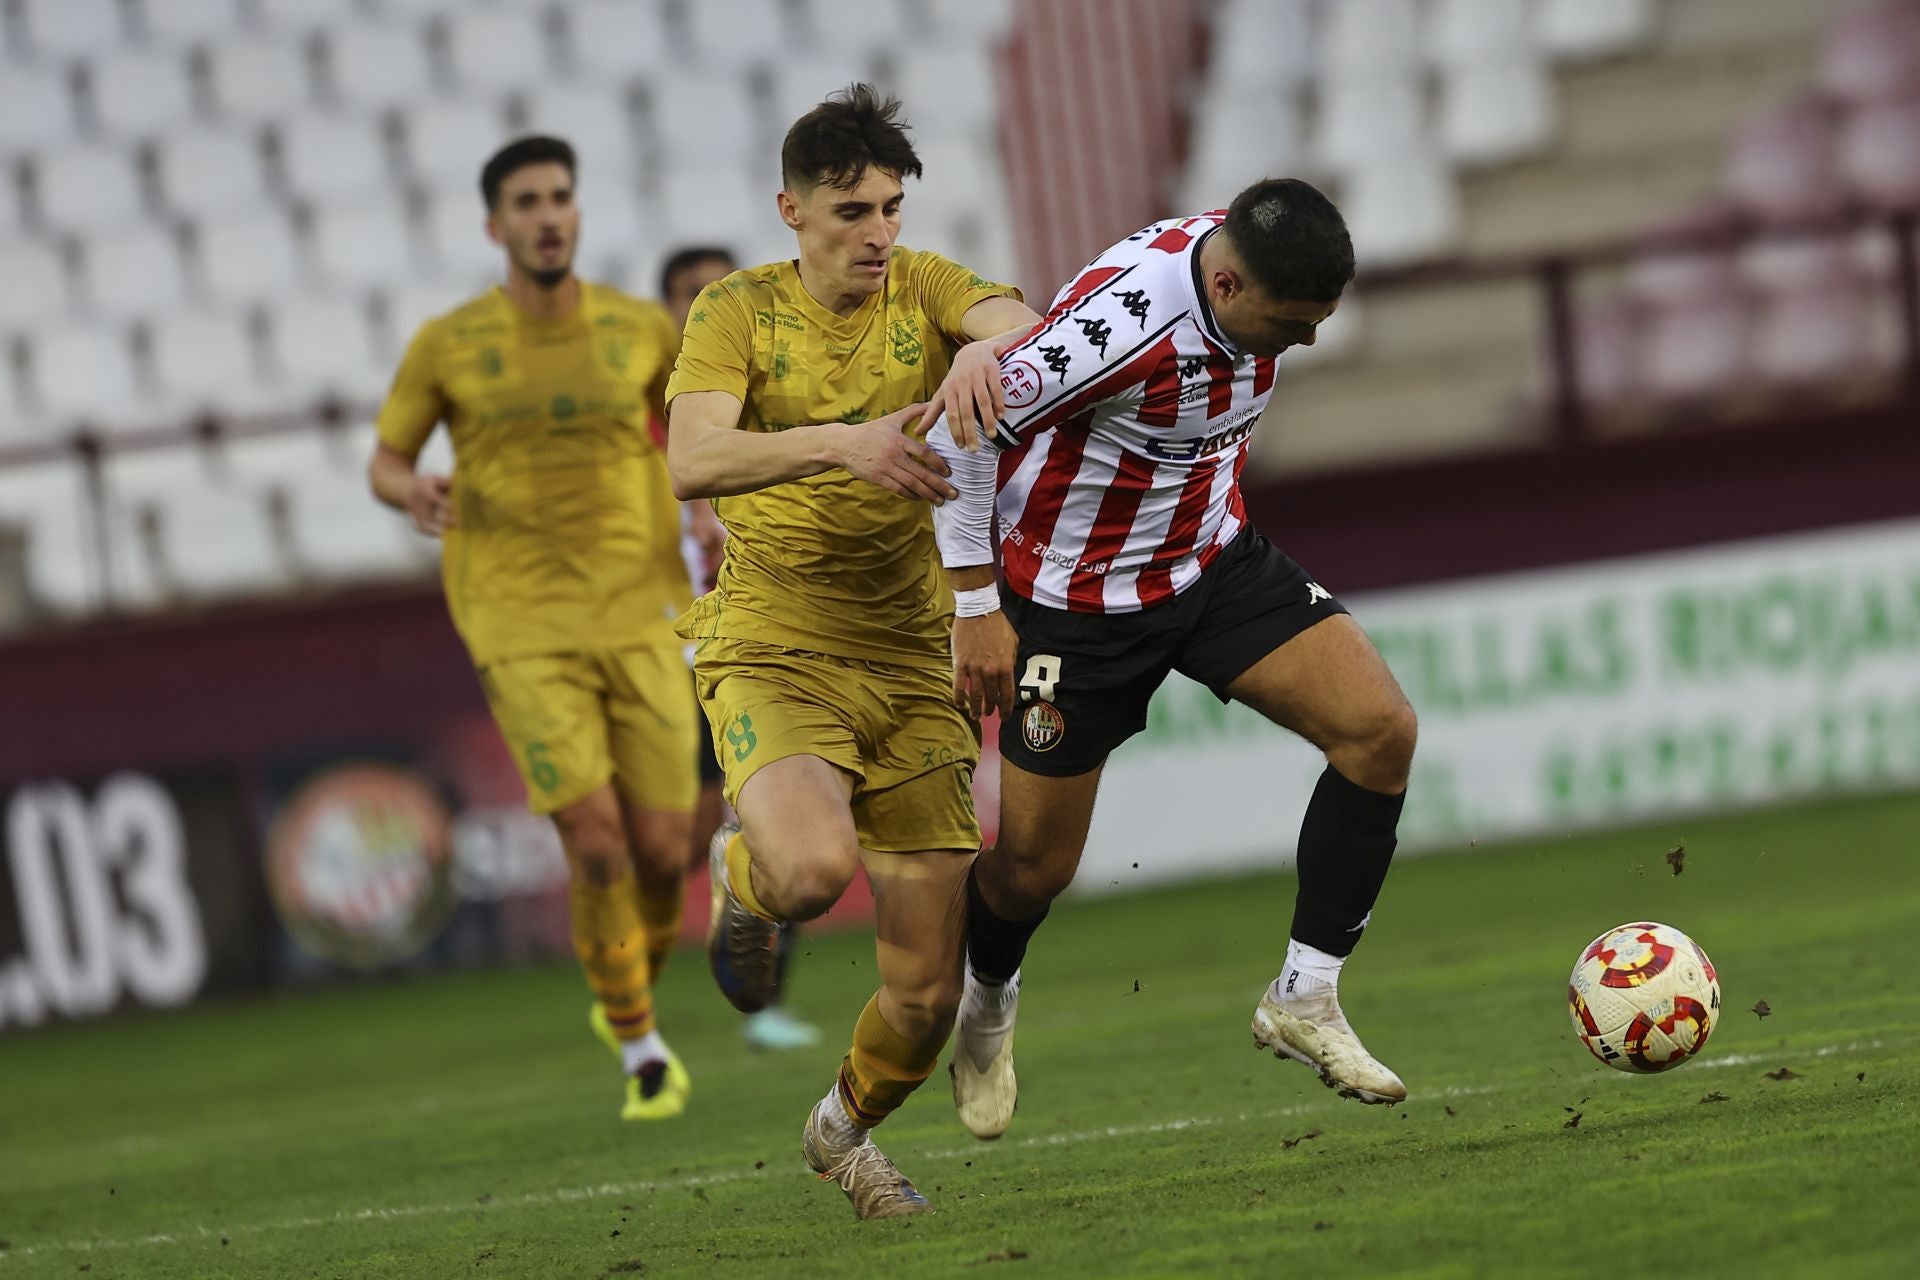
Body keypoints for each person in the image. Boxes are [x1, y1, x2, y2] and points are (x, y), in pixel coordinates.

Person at [925, 179, 1419, 1142]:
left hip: (1208, 563)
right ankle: (986, 1005)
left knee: (1380, 732)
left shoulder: (1240, 268)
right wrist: (976, 609)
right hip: (1077, 610)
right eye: (1292, 323)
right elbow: (958, 429)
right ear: (1228, 286)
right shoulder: (1126, 331)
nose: (1306, 343)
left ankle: (1304, 998)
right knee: (1032, 869)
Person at [665, 84, 1039, 1218]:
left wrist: (997, 358)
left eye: (890, 206)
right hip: (774, 637)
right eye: (850, 211)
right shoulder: (735, 310)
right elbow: (693, 460)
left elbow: (1022, 328)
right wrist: (844, 446)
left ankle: (844, 1134)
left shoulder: (924, 285)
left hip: (914, 655)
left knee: (925, 994)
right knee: (811, 870)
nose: (878, 232)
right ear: (791, 209)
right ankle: (748, 873)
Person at [369, 136, 700, 1122]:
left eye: (561, 196)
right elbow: (385, 460)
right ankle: (636, 1031)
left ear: (578, 213)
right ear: (495, 225)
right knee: (592, 840)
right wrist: (411, 489)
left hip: (642, 608)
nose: (548, 214)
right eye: (527, 201)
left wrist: (718, 505)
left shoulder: (640, 329)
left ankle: (627, 977)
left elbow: (696, 428)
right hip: (517, 619)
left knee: (663, 846)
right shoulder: (448, 342)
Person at [657, 244, 821, 1053]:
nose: (703, 304)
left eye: (713, 290)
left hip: (771, 645)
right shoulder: (655, 427)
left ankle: (764, 1004)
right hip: (680, 656)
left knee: (786, 818)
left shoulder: (778, 394)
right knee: (689, 840)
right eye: (688, 294)